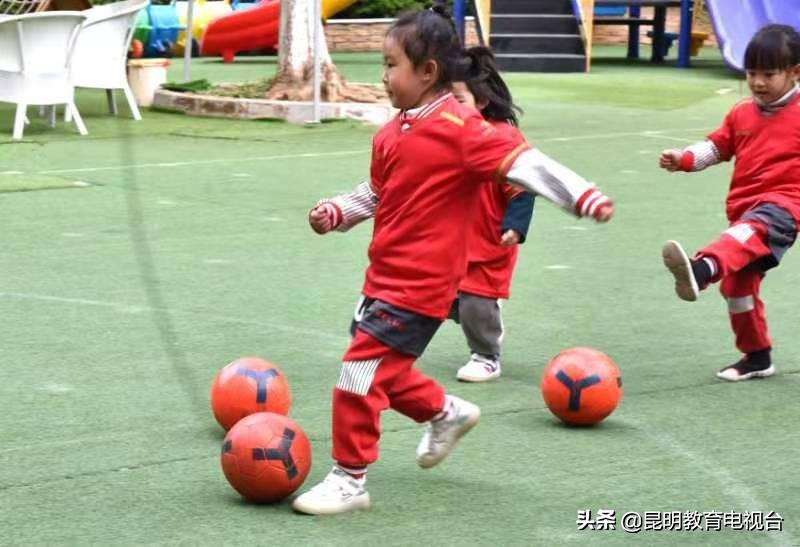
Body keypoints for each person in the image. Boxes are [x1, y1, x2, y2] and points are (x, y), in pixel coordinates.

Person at [293, 7, 614, 516]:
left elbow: (521, 160)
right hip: (383, 278)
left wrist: (581, 195)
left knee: (357, 374)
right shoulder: (391, 133)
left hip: (421, 287)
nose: (383, 76)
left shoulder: (461, 129)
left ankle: (349, 479)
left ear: (428, 72)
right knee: (384, 371)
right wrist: (338, 211)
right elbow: (378, 192)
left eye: (391, 65)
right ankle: (445, 412)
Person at [659, 24, 800, 382]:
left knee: (747, 232)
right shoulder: (741, 113)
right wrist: (684, 158)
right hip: (745, 211)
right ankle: (757, 356)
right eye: (751, 73)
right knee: (737, 289)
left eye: (769, 74)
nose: (758, 82)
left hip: (785, 209)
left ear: (795, 73)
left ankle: (701, 269)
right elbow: (717, 146)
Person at [449, 46, 534, 383]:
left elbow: (524, 186)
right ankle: (478, 316)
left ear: (481, 101)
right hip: (448, 242)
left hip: (489, 243)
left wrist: (515, 226)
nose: (450, 108)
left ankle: (486, 355)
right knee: (435, 295)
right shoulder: (443, 136)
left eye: (459, 100)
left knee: (475, 300)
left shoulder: (501, 139)